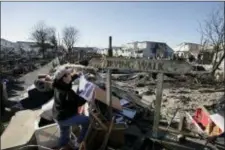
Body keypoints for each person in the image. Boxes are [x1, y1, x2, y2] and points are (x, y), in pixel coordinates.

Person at [52, 67, 89, 150]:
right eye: (68, 74)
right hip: (64, 117)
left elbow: (69, 81)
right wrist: (87, 96)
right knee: (87, 121)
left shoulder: (60, 85)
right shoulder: (65, 92)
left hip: (58, 115)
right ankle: (79, 142)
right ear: (63, 78)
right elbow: (78, 102)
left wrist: (77, 75)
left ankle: (61, 146)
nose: (70, 75)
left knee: (65, 135)